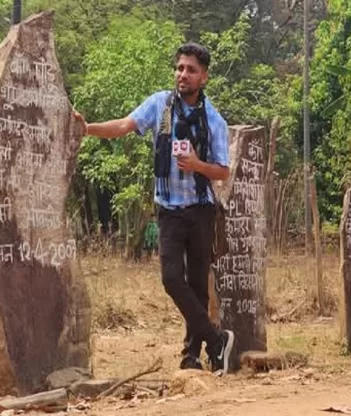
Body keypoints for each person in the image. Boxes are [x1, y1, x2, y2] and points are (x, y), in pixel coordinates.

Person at [73, 42, 235, 375]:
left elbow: (222, 171)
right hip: (169, 208)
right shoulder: (160, 104)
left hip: (201, 209)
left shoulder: (214, 120)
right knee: (171, 279)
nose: (183, 75)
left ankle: (194, 356)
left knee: (197, 285)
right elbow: (123, 126)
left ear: (204, 77)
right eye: (180, 68)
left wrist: (196, 164)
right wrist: (87, 129)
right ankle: (217, 339)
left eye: (191, 70)